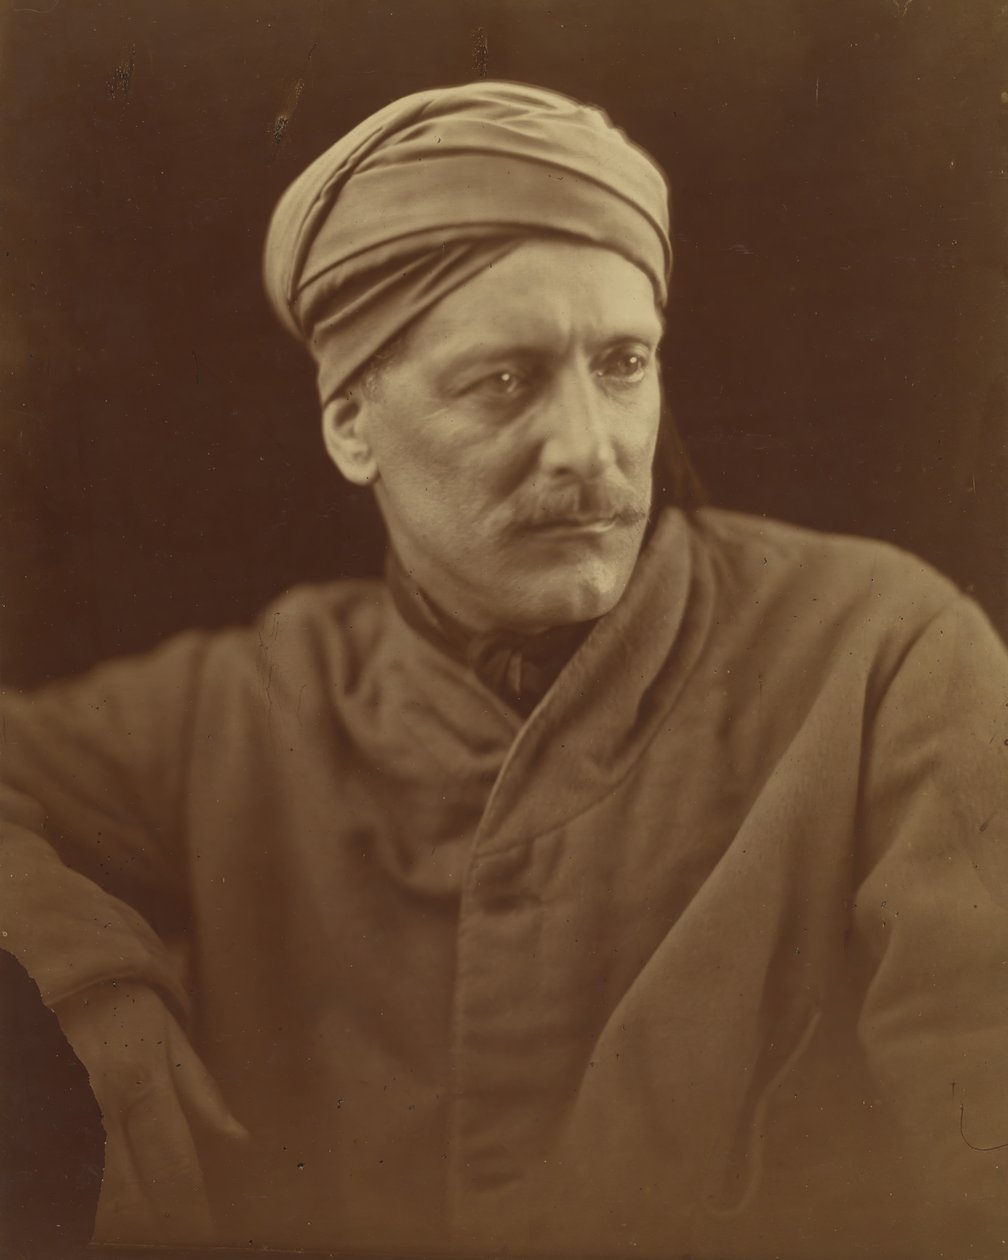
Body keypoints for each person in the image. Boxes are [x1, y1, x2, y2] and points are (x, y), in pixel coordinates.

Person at [1, 81, 1006, 1258]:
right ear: (352, 428)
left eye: (623, 363)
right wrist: (83, 979)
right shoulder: (243, 704)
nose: (590, 448)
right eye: (506, 380)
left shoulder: (883, 655)